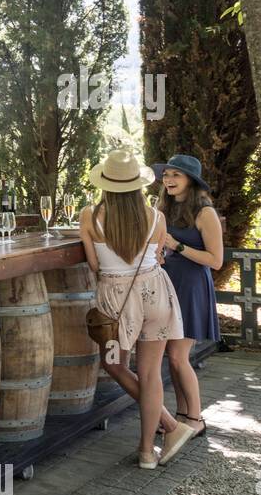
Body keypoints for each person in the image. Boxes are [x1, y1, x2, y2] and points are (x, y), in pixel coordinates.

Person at [79, 149, 195, 470]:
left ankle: (171, 426)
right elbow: (157, 257)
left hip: (117, 299)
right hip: (155, 291)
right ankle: (148, 450)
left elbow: (93, 264)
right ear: (138, 186)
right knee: (150, 374)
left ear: (105, 184)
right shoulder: (157, 217)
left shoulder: (90, 215)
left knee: (114, 364)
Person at [155, 155, 222, 439]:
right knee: (172, 358)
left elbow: (215, 260)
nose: (168, 180)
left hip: (192, 287)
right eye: (167, 174)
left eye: (176, 176)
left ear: (191, 181)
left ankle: (196, 418)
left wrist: (177, 246)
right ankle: (181, 416)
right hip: (168, 285)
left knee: (180, 357)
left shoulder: (205, 213)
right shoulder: (163, 208)